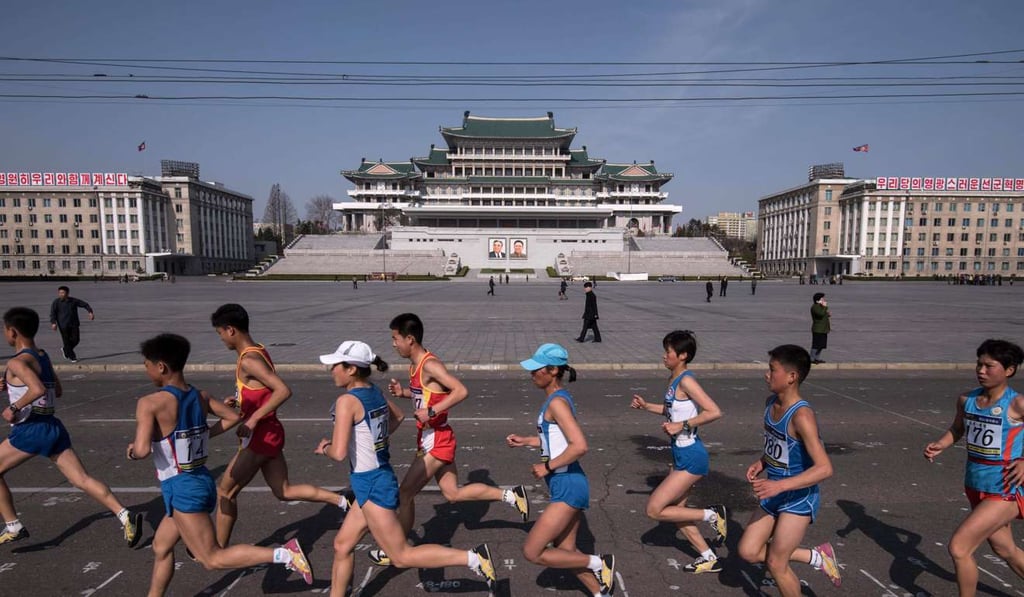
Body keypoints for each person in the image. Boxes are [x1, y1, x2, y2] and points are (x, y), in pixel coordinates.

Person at [127, 333, 313, 595]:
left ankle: (285, 554)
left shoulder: (149, 403)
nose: (145, 370)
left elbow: (143, 449)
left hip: (182, 488)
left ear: (161, 367)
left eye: (146, 364)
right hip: (198, 481)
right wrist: (205, 433)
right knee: (161, 547)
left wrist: (132, 452)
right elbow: (233, 415)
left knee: (211, 558)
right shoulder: (200, 396)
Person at [315, 340, 497, 596]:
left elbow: (339, 452)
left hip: (372, 484)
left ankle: (473, 558)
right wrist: (374, 443)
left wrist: (325, 447)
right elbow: (398, 417)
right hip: (374, 478)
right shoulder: (373, 390)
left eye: (335, 365)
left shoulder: (347, 401)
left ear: (351, 369)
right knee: (342, 545)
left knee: (401, 556)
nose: (331, 370)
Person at [370, 313, 529, 566]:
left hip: (437, 439)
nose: (393, 344)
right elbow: (427, 397)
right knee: (453, 494)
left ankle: (396, 548)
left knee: (405, 494)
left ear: (410, 339)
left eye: (395, 338)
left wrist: (432, 412)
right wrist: (403, 393)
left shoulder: (431, 365)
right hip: (432, 437)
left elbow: (461, 390)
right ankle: (511, 496)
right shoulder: (415, 365)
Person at [210, 304, 349, 548]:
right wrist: (240, 401)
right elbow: (261, 391)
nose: (220, 339)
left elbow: (283, 390)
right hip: (270, 433)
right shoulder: (258, 350)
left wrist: (252, 419)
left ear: (230, 330)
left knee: (225, 492)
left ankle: (218, 550)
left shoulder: (249, 360)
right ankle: (341, 501)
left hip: (261, 436)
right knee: (283, 490)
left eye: (219, 333)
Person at [0, 307, 141, 547]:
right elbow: (57, 390)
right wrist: (13, 387)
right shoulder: (42, 356)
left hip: (31, 429)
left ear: (12, 332)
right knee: (81, 479)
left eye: (4, 330)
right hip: (52, 426)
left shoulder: (17, 362)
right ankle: (125, 515)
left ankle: (13, 525)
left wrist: (13, 408)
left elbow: (38, 390)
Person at [507, 343, 616, 596]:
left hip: (568, 483)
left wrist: (547, 466)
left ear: (553, 370)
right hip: (565, 482)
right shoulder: (556, 400)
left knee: (532, 552)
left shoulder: (557, 403)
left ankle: (599, 563)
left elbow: (579, 446)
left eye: (537, 369)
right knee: (566, 553)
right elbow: (556, 440)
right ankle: (601, 594)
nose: (532, 373)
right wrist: (526, 440)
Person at [737, 344, 840, 596]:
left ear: (792, 377)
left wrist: (779, 485)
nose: (767, 375)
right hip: (774, 491)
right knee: (748, 551)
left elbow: (825, 468)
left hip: (798, 497)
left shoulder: (802, 416)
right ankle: (816, 556)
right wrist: (762, 461)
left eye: (773, 370)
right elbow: (780, 444)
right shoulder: (770, 402)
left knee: (776, 563)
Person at [925, 339, 1024, 597]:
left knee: (959, 547)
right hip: (975, 485)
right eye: (979, 364)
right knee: (1005, 550)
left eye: (989, 366)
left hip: (1005, 488)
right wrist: (941, 443)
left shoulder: (1018, 404)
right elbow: (958, 428)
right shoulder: (967, 400)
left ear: (1009, 370)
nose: (981, 370)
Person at [629, 330, 727, 573]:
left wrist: (681, 426)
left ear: (682, 355)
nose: (664, 356)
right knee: (677, 512)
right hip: (681, 454)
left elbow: (714, 411)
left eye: (668, 352)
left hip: (692, 456)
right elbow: (672, 410)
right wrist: (646, 406)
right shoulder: (675, 380)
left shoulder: (686, 380)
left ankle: (711, 515)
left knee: (655, 509)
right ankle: (707, 557)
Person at [49, 285, 94, 363]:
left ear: (67, 293)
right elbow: (53, 313)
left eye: (63, 292)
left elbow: (85, 304)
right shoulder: (56, 302)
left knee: (76, 340)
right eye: (59, 293)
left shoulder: (73, 301)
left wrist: (90, 312)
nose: (61, 294)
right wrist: (53, 323)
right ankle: (72, 357)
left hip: (74, 324)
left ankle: (65, 350)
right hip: (63, 325)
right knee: (66, 341)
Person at [810, 293, 831, 364]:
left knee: (821, 345)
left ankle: (817, 358)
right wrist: (825, 307)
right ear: (817, 300)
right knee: (816, 345)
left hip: (823, 329)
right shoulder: (815, 307)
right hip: (818, 329)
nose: (824, 300)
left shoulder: (821, 306)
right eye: (822, 299)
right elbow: (820, 314)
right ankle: (812, 358)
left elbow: (823, 314)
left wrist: (827, 314)